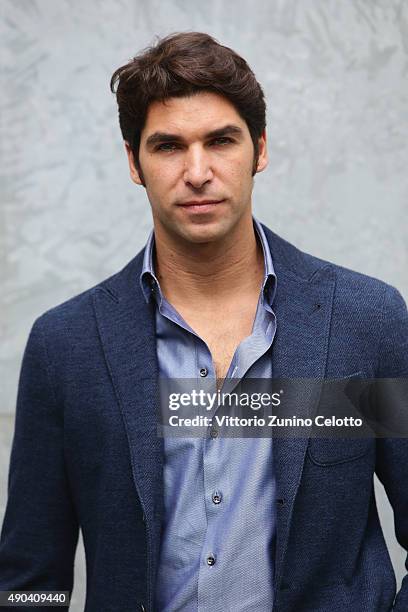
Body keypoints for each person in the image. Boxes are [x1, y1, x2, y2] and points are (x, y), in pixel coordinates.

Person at [0, 31, 407, 612]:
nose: (197, 171)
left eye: (221, 141)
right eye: (168, 146)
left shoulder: (366, 322)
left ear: (259, 150)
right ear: (134, 162)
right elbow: (27, 581)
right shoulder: (65, 346)